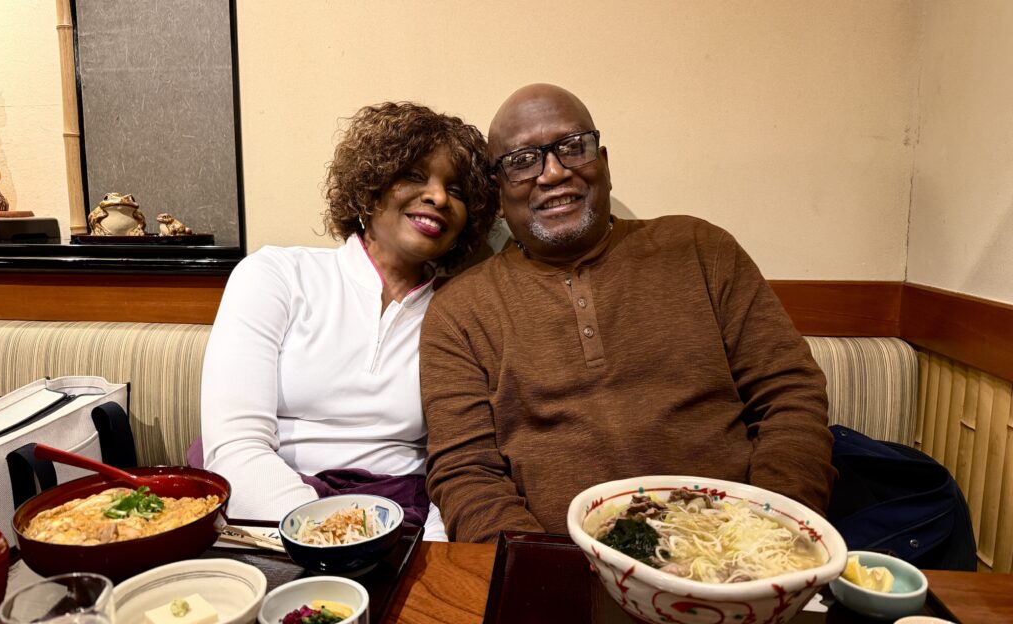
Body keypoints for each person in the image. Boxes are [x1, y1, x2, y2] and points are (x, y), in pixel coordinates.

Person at [420, 83, 836, 543]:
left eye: (572, 148)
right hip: (561, 570)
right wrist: (539, 575)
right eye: (523, 161)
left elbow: (790, 397)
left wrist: (767, 534)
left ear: (605, 164)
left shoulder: (699, 249)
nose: (553, 173)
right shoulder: (459, 309)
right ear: (498, 194)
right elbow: (465, 472)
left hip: (738, 552)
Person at [200, 102, 498, 541]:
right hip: (266, 511)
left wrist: (430, 557)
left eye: (456, 190)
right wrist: (327, 537)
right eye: (415, 175)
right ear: (371, 187)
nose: (437, 197)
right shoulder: (276, 275)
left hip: (401, 524)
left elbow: (456, 468)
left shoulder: (459, 312)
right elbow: (233, 447)